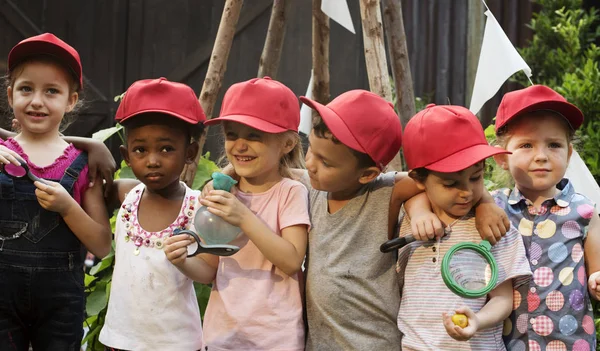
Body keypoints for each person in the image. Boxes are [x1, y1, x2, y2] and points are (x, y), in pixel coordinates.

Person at [164, 77, 310, 350]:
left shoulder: (290, 192)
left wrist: (243, 217)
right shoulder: (221, 195)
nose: (240, 145)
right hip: (222, 335)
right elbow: (209, 270)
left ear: (288, 144)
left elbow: (291, 260)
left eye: (254, 136)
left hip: (275, 339)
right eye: (232, 134)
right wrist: (182, 260)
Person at [0, 32, 112, 350]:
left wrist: (68, 208)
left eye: (52, 91)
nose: (37, 101)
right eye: (26, 89)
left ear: (71, 100)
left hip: (60, 305)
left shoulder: (81, 164)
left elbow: (103, 245)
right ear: (10, 96)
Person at [394, 104, 531, 350]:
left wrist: (478, 320)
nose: (466, 192)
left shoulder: (494, 228)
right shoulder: (407, 222)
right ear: (418, 180)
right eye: (450, 183)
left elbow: (502, 298)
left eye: (476, 177)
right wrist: (418, 210)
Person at [97, 78, 206, 350]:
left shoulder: (198, 207)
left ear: (190, 152)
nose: (153, 160)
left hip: (176, 342)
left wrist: (183, 261)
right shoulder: (128, 196)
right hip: (121, 339)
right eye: (140, 150)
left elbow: (209, 274)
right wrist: (93, 145)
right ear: (126, 155)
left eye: (167, 148)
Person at [491, 85, 600, 350]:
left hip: (570, 342)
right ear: (502, 158)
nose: (541, 156)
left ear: (569, 153)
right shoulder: (494, 207)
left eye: (554, 144)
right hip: (510, 342)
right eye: (526, 145)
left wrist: (597, 280)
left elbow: (596, 269)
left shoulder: (584, 211)